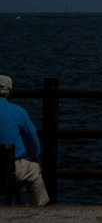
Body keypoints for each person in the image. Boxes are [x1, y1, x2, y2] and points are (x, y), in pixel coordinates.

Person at [0, 75, 50, 206]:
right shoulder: (18, 112)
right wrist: (35, 158)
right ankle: (37, 211)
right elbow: (32, 138)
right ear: (10, 92)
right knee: (34, 170)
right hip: (9, 169)